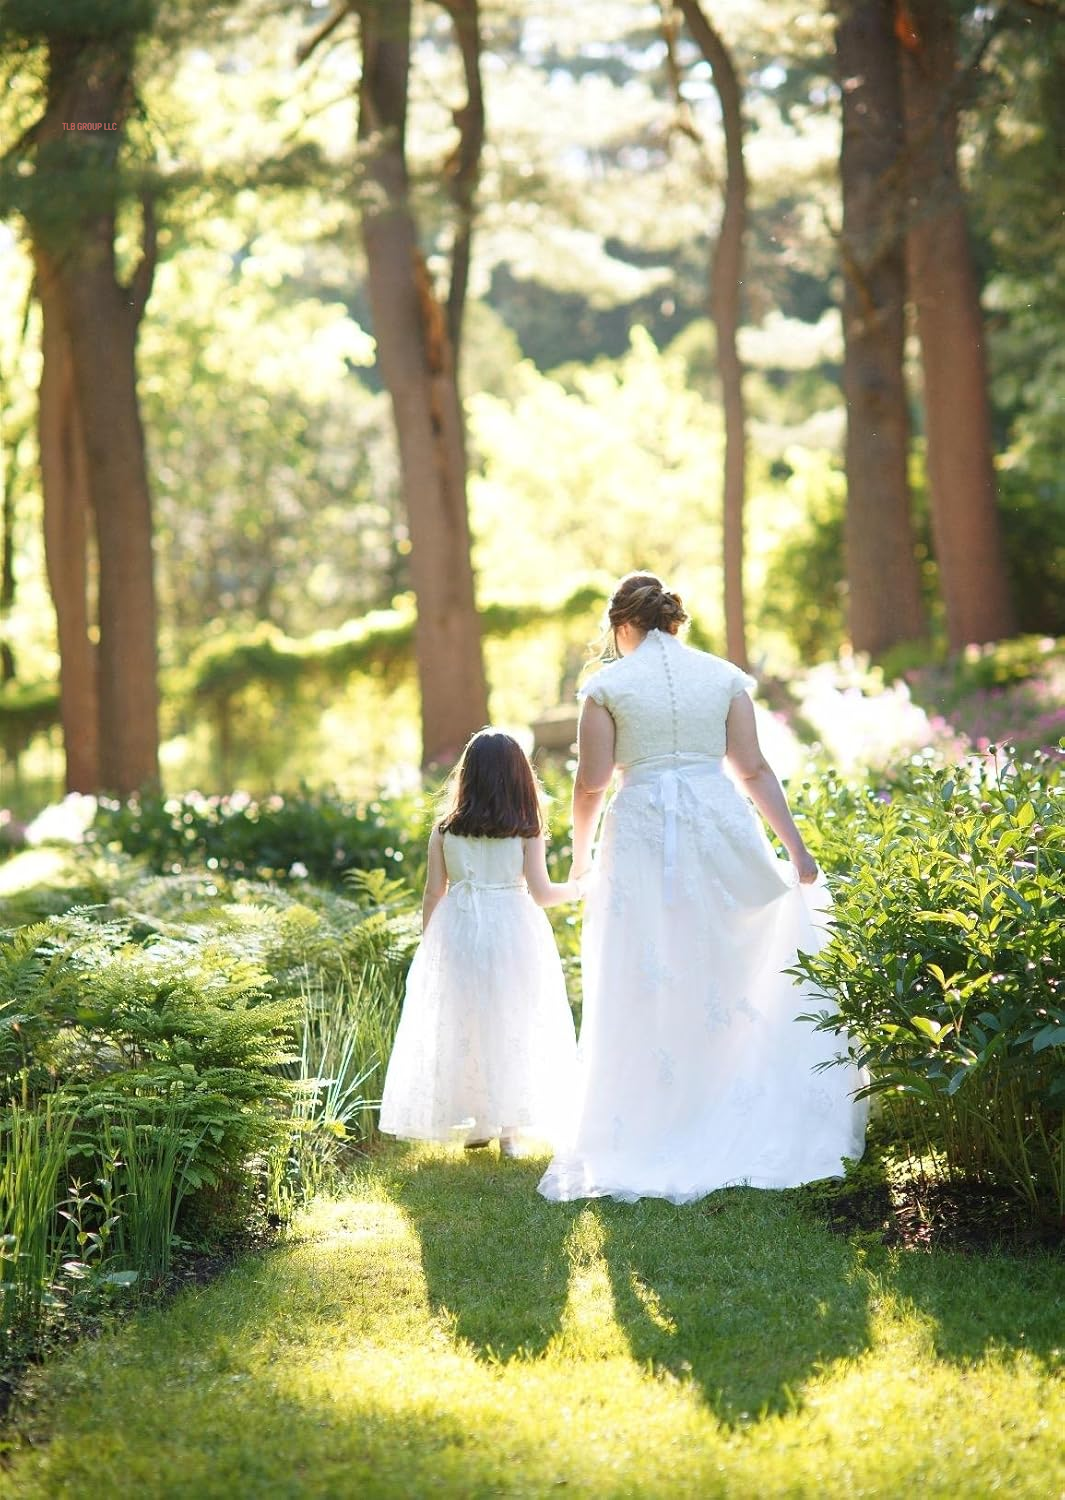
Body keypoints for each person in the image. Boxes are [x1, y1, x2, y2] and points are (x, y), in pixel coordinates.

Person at [538, 573, 868, 1204]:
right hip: (718, 825)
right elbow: (754, 768)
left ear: (621, 626)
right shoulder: (724, 678)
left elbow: (593, 783)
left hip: (639, 836)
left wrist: (581, 858)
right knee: (726, 962)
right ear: (673, 622)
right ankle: (732, 1099)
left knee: (645, 972)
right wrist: (796, 852)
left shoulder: (605, 687)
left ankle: (657, 1115)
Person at [379, 728, 584, 1159]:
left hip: (460, 930)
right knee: (512, 1020)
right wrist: (581, 888)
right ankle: (508, 1129)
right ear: (518, 779)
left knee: (468, 1021)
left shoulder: (445, 831)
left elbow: (434, 893)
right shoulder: (524, 832)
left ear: (467, 777)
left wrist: (430, 943)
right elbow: (544, 893)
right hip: (513, 930)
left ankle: (480, 1120)